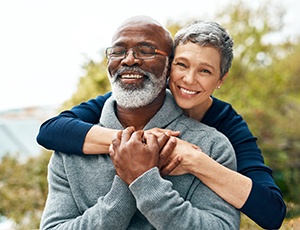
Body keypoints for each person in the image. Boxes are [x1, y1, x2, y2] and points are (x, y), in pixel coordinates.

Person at [37, 20, 286, 229]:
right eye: (182, 65)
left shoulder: (222, 136)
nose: (189, 79)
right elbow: (50, 130)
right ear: (170, 69)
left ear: (221, 79)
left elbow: (270, 212)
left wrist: (195, 163)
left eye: (205, 71)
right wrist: (134, 149)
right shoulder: (75, 142)